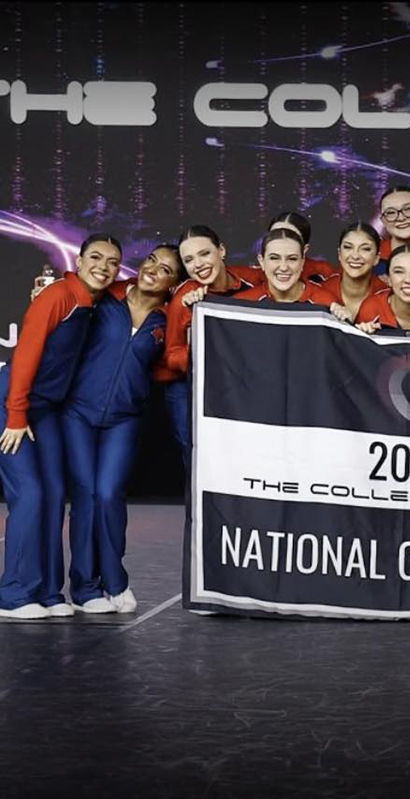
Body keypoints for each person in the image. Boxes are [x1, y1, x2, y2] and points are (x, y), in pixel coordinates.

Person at [0, 234, 121, 619]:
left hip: (46, 409)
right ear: (79, 261)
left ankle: (49, 593)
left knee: (54, 494)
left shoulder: (95, 301)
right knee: (30, 494)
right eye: (96, 258)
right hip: (12, 404)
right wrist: (15, 416)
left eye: (113, 262)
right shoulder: (58, 296)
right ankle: (13, 595)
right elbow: (26, 354)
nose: (103, 267)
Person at [61, 245, 182, 616]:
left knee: (109, 493)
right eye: (151, 261)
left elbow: (169, 363)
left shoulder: (168, 319)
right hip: (78, 413)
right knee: (85, 496)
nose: (153, 270)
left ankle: (114, 580)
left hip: (125, 418)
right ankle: (84, 588)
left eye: (165, 269)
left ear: (173, 283)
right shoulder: (107, 296)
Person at [162, 225, 264, 466]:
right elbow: (172, 355)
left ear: (222, 251)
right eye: (189, 260)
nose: (198, 264)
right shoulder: (184, 299)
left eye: (204, 253)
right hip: (189, 387)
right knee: (198, 457)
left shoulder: (251, 284)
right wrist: (208, 353)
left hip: (237, 386)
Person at [234, 228, 347, 317]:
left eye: (292, 259)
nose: (283, 267)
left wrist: (345, 319)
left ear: (302, 262)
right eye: (274, 258)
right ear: (262, 262)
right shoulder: (242, 304)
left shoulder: (325, 303)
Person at [324, 222, 390, 321]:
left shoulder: (388, 297)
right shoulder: (322, 290)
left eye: (365, 249)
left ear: (377, 258)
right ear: (339, 254)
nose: (355, 256)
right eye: (348, 247)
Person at [267, 211, 337, 284]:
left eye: (292, 237)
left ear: (304, 249)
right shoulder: (258, 276)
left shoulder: (322, 273)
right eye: (275, 235)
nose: (282, 241)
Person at [376, 184, 410, 266]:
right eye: (391, 212)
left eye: (408, 208)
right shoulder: (371, 256)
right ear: (383, 221)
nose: (401, 218)